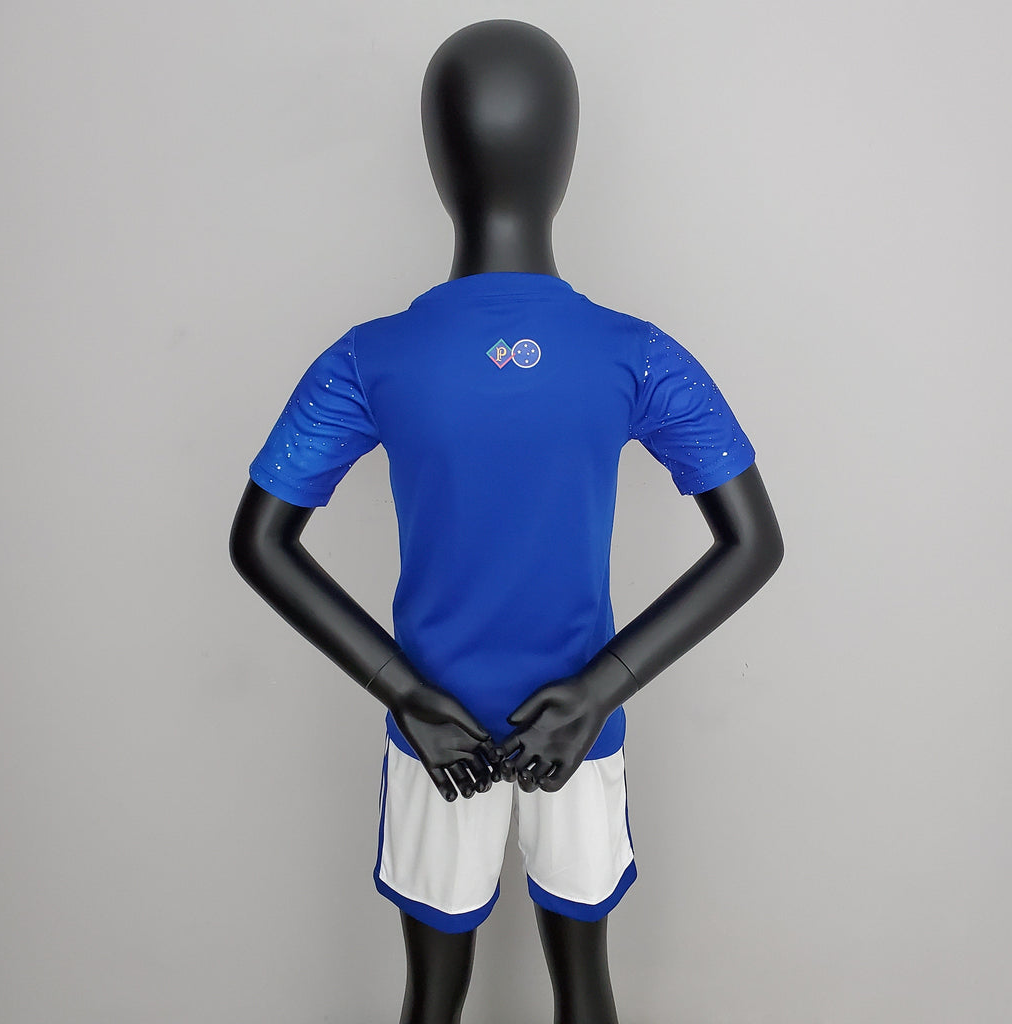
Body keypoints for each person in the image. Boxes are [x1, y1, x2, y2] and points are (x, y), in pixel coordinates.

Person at [230, 19, 783, 1024]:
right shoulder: (636, 354)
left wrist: (407, 692)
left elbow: (260, 541)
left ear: (438, 161)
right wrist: (597, 689)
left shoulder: (368, 358)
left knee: (431, 1001)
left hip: (436, 730)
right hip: (575, 726)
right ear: (564, 158)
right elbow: (754, 543)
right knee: (586, 991)